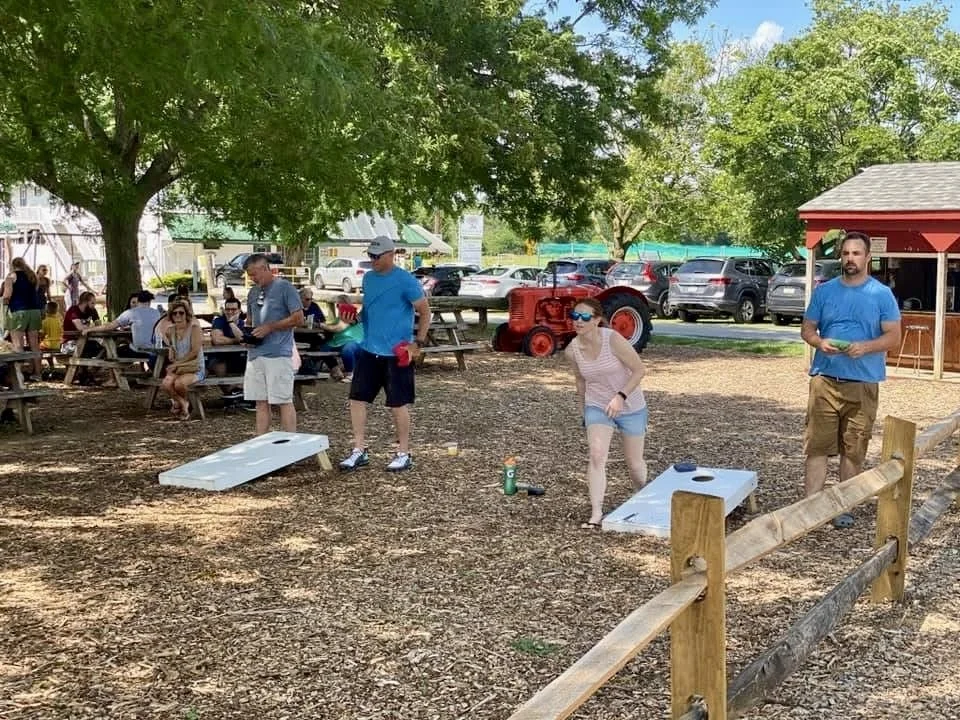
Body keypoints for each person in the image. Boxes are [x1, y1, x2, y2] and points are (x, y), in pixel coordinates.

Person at [801, 231, 901, 527]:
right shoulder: (825, 292)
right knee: (817, 447)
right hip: (825, 380)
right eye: (845, 253)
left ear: (868, 258)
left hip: (862, 383)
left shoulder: (881, 294)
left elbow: (893, 336)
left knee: (853, 449)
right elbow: (807, 330)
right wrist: (819, 343)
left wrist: (866, 347)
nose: (850, 259)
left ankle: (844, 506)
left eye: (856, 253)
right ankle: (809, 510)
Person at [339, 236, 430, 473]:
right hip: (370, 349)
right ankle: (359, 450)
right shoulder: (368, 279)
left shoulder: (405, 280)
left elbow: (425, 312)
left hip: (396, 352)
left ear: (391, 255)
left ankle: (403, 453)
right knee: (356, 399)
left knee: (398, 404)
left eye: (377, 257)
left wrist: (416, 344)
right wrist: (354, 318)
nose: (372, 261)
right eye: (370, 256)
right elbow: (369, 310)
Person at [564, 297, 648, 530]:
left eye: (584, 317)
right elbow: (580, 381)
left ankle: (644, 496)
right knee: (597, 455)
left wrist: (620, 396)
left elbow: (639, 370)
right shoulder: (572, 350)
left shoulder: (613, 340)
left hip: (630, 405)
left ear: (597, 320)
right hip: (597, 405)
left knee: (634, 464)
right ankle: (596, 512)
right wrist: (583, 410)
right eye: (574, 316)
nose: (578, 321)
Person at [243, 253, 304, 434]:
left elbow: (298, 318)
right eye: (249, 275)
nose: (252, 279)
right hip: (255, 354)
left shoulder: (285, 287)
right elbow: (250, 320)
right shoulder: (253, 292)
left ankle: (290, 445)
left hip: (278, 353)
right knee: (260, 401)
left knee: (283, 400)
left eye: (254, 274)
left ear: (265, 268)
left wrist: (271, 327)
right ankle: (261, 443)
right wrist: (249, 336)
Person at [161, 300, 205, 420]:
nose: (178, 316)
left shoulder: (194, 329)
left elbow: (194, 352)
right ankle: (183, 402)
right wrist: (171, 352)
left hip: (194, 367)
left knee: (179, 384)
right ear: (171, 316)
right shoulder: (170, 331)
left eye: (181, 313)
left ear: (187, 314)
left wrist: (177, 363)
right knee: (166, 383)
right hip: (179, 367)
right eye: (175, 313)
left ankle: (184, 409)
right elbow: (173, 351)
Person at [2, 257, 43, 379]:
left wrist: (4, 304)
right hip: (35, 312)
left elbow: (7, 295)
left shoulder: (11, 277)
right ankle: (38, 373)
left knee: (18, 345)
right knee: (34, 345)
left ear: (13, 266)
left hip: (19, 312)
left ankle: (18, 376)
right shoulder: (33, 276)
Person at [91, 290, 161, 361]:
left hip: (138, 351)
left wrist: (89, 329)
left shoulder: (131, 312)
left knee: (111, 353)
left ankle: (96, 367)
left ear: (138, 300)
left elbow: (109, 327)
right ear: (149, 301)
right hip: (155, 351)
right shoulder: (157, 313)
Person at [318, 294, 363, 382]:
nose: (338, 307)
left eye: (339, 305)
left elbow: (337, 328)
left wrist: (321, 325)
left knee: (348, 349)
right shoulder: (338, 319)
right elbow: (332, 326)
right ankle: (335, 369)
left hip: (354, 341)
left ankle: (350, 373)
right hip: (338, 342)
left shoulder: (352, 316)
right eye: (337, 305)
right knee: (323, 348)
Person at [209, 296, 247, 396]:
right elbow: (217, 340)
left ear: (239, 310)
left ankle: (238, 390)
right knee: (219, 364)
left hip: (238, 357)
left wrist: (231, 323)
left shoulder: (243, 323)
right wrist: (236, 340)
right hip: (219, 357)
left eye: (233, 309)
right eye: (227, 309)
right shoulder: (219, 321)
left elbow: (243, 339)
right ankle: (232, 391)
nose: (230, 312)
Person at [39, 301, 64, 373]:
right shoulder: (59, 320)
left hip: (48, 344)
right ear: (57, 310)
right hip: (58, 344)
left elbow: (42, 334)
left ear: (46, 310)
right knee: (47, 350)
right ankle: (52, 367)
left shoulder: (44, 321)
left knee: (36, 349)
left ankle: (40, 367)